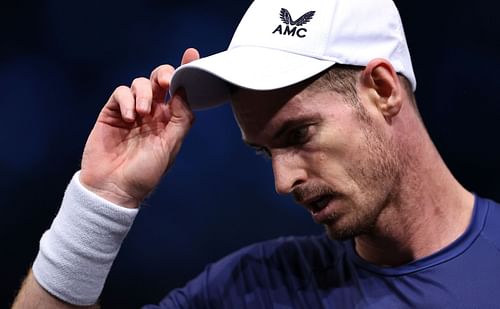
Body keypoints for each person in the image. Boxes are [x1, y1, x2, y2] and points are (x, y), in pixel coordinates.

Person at [12, 0, 500, 308]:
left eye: (298, 134)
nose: (282, 182)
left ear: (381, 89)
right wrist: (101, 201)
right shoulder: (254, 289)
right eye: (265, 152)